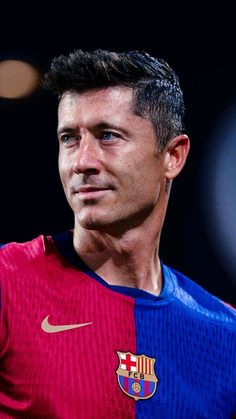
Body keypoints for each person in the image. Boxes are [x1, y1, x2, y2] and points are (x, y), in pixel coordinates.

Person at [0, 49, 235, 418]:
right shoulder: (7, 284)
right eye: (69, 139)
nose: (81, 162)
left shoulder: (225, 336)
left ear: (173, 156)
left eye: (107, 136)